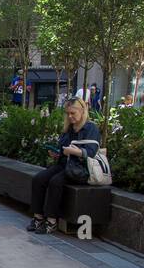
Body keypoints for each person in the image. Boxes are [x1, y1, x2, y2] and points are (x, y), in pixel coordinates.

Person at [28, 98, 100, 235]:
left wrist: (73, 151)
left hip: (80, 168)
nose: (70, 116)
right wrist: (56, 154)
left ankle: (51, 220)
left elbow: (91, 152)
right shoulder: (69, 129)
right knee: (39, 179)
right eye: (68, 113)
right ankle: (38, 217)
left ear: (82, 111)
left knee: (55, 182)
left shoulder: (91, 128)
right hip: (64, 164)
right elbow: (62, 149)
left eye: (73, 113)